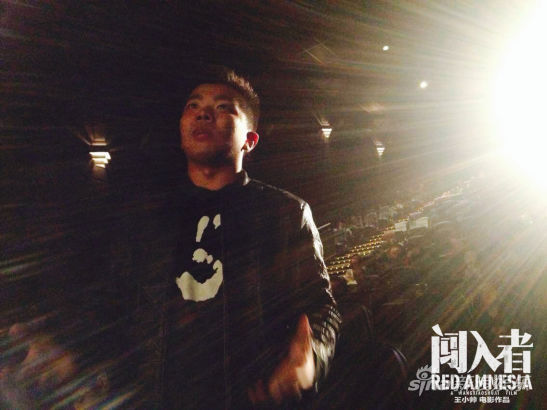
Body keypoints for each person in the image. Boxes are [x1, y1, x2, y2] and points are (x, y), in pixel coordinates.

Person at [112, 68, 340, 409]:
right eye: (193, 106)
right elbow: (115, 304)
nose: (203, 113)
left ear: (250, 140)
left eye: (223, 108)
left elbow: (321, 308)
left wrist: (309, 362)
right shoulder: (146, 215)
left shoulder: (284, 212)